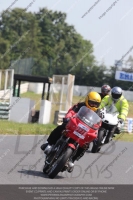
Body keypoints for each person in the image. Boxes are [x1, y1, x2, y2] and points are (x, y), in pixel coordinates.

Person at [40, 91, 101, 171]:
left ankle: (72, 160)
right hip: (74, 125)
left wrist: (96, 136)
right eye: (91, 103)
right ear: (87, 100)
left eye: (96, 104)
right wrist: (68, 117)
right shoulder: (79, 105)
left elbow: (98, 125)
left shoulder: (98, 113)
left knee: (86, 145)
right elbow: (71, 112)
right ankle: (49, 143)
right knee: (62, 127)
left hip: (85, 131)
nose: (93, 105)